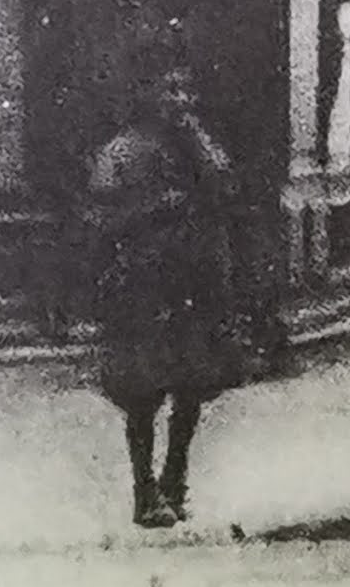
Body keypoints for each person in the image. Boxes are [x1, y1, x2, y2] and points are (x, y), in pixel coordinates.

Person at [87, 64, 254, 531]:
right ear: (145, 95)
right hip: (143, 285)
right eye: (169, 90)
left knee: (192, 384)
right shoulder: (120, 151)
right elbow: (100, 219)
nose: (180, 101)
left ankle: (175, 477)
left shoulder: (199, 147)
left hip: (193, 283)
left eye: (186, 90)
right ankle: (144, 490)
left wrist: (198, 141)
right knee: (142, 393)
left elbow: (227, 188)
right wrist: (154, 210)